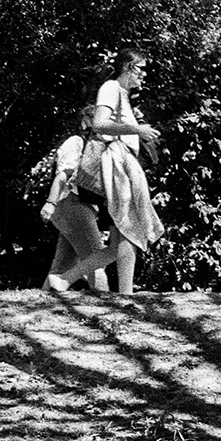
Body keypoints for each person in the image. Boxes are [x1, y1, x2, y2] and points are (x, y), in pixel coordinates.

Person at [53, 49, 165, 294]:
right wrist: (138, 130)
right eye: (141, 68)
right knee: (129, 233)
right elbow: (99, 123)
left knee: (122, 239)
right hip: (113, 168)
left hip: (121, 169)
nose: (144, 75)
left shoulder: (120, 93)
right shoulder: (111, 87)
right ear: (127, 67)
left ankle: (65, 280)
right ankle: (124, 295)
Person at [40, 106, 112, 292]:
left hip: (76, 208)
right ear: (86, 122)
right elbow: (64, 174)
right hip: (71, 205)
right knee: (96, 259)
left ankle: (43, 301)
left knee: (62, 267)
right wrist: (50, 202)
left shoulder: (99, 146)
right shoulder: (76, 142)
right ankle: (108, 309)